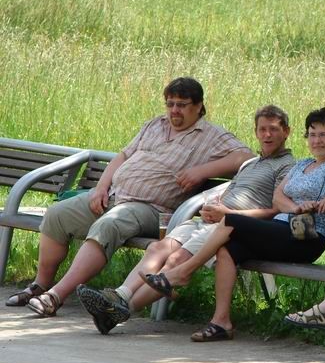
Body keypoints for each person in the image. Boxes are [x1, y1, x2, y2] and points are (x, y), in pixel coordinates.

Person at [5, 77, 254, 317]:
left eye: (182, 105)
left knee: (109, 224)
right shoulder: (155, 125)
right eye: (170, 104)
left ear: (199, 106)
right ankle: (40, 285)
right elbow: (123, 156)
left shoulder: (211, 135)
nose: (174, 110)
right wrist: (100, 187)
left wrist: (203, 171)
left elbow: (245, 158)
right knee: (57, 215)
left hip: (149, 208)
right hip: (113, 195)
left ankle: (56, 296)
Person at [140, 107, 325, 341]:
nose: (317, 140)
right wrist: (295, 208)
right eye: (313, 134)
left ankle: (182, 272)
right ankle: (221, 322)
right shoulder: (302, 164)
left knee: (232, 220)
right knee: (228, 250)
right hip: (283, 229)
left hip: (307, 238)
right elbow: (278, 198)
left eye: (324, 135)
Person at [75, 105, 295, 334]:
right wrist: (212, 205)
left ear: (286, 132)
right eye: (262, 130)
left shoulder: (288, 166)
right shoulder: (250, 163)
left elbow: (274, 211)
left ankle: (120, 309)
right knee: (158, 249)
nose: (267, 135)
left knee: (176, 260)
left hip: (233, 226)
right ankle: (120, 296)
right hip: (211, 219)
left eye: (273, 130)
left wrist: (228, 215)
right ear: (256, 132)